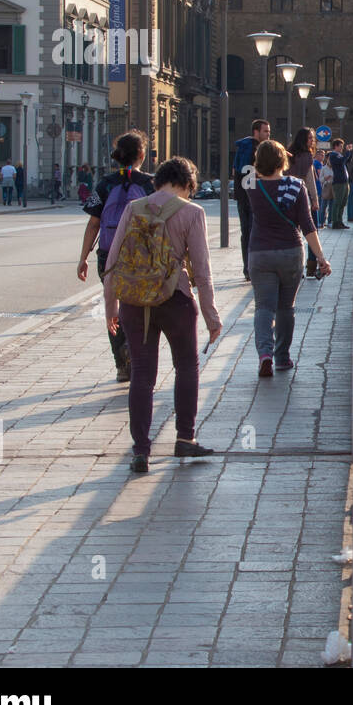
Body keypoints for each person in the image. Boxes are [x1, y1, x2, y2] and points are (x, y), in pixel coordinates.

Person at [104, 156, 221, 474]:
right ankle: (185, 437)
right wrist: (211, 316)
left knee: (142, 374)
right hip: (176, 300)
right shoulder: (192, 212)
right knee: (186, 366)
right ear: (188, 184)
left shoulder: (134, 208)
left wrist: (110, 309)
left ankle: (141, 451)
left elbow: (112, 263)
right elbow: (202, 268)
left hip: (134, 302)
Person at [246, 139, 330, 377]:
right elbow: (308, 226)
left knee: (263, 307)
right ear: (283, 161)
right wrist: (321, 258)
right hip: (291, 253)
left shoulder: (251, 186)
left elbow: (247, 173)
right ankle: (282, 357)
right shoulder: (296, 186)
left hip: (260, 253)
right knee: (286, 307)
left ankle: (264, 353)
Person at [79, 131, 156, 383]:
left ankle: (122, 364)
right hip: (140, 255)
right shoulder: (150, 184)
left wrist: (83, 258)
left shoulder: (105, 184)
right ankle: (137, 355)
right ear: (142, 154)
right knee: (140, 306)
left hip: (107, 255)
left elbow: (93, 223)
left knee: (113, 305)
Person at [232, 119, 270, 281]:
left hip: (242, 196)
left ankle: (248, 268)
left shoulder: (242, 147)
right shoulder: (255, 149)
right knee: (255, 233)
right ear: (256, 132)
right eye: (265, 131)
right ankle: (254, 268)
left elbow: (235, 172)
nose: (268, 134)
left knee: (246, 233)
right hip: (253, 197)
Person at [286, 128, 320, 277]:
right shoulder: (307, 157)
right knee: (312, 231)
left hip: (288, 197)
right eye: (309, 138)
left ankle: (294, 267)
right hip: (302, 197)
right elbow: (310, 181)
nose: (312, 141)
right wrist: (315, 200)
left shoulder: (288, 155)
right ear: (303, 140)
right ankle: (311, 267)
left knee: (294, 234)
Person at [325, 139, 353, 228]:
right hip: (339, 182)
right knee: (337, 202)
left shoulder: (340, 155)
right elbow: (342, 161)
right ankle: (335, 222)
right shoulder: (333, 155)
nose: (342, 148)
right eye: (341, 146)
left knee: (343, 202)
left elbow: (347, 160)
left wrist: (351, 152)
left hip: (345, 182)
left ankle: (340, 221)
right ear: (336, 146)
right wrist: (347, 152)